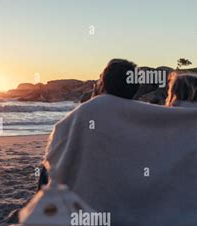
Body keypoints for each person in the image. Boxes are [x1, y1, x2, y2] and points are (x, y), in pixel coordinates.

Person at [38, 59, 139, 190]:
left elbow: (52, 164)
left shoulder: (83, 114)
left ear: (102, 83)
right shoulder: (144, 117)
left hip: (80, 201)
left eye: (99, 79)